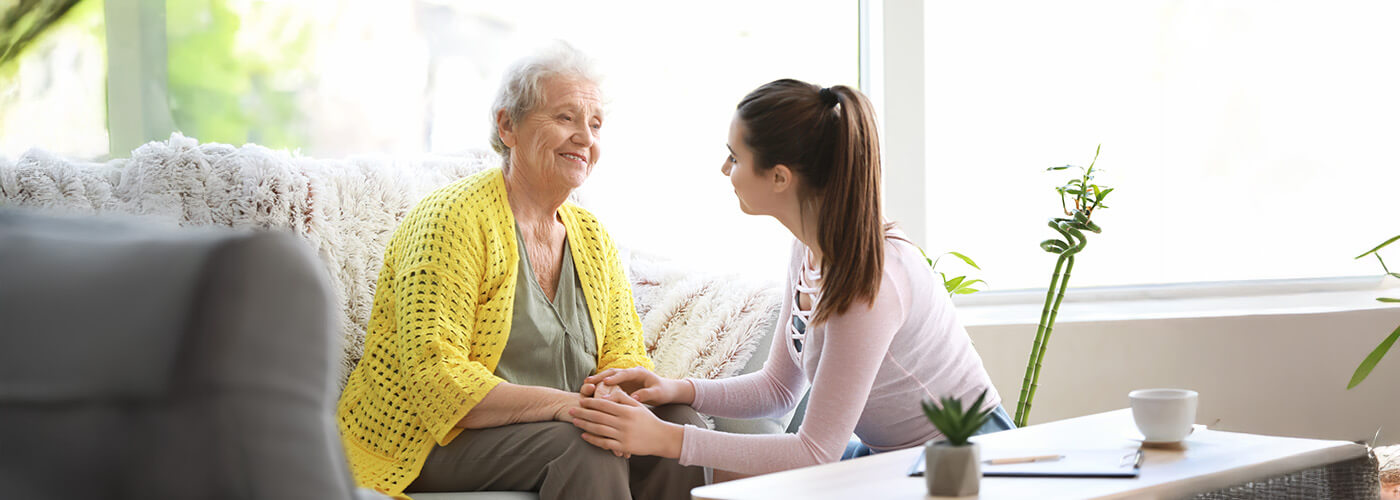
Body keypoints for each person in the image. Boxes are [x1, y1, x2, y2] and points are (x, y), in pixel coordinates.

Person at [569, 79, 1012, 478]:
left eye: (734, 157)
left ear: (780, 177)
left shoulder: (869, 282)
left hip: (963, 465)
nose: (726, 171)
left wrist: (667, 439)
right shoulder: (809, 247)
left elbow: (816, 452)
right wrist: (676, 388)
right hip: (896, 458)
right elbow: (779, 388)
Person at [335, 44, 705, 500]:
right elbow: (437, 380)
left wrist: (621, 399)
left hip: (551, 428)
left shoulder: (592, 238)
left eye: (595, 124)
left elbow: (625, 357)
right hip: (430, 439)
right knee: (586, 447)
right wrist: (572, 408)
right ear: (507, 126)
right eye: (566, 118)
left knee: (678, 429)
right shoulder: (451, 220)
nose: (585, 139)